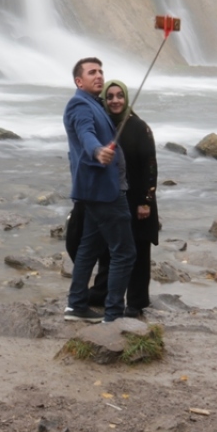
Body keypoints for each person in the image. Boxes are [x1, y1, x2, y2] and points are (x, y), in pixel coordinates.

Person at [63, 57, 135, 323]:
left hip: (93, 190)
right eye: (92, 72)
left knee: (88, 248)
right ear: (79, 81)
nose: (99, 76)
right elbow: (86, 134)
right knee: (124, 252)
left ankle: (76, 305)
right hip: (104, 191)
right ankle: (113, 315)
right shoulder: (80, 105)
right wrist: (97, 151)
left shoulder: (94, 103)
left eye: (101, 71)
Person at [101, 79, 159, 314]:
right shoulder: (103, 125)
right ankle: (106, 296)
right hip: (111, 198)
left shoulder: (139, 127)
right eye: (110, 97)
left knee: (138, 250)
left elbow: (150, 166)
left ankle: (136, 302)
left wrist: (146, 202)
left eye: (120, 96)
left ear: (126, 98)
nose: (115, 101)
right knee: (109, 250)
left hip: (138, 199)